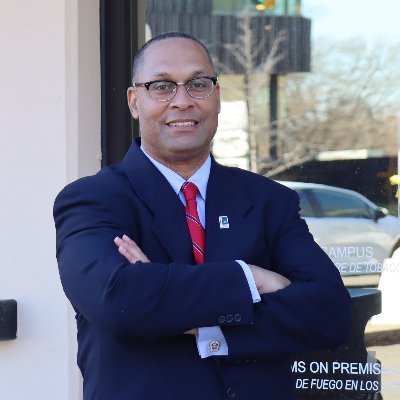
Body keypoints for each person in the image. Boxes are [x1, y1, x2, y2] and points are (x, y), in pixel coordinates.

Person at [54, 32, 351, 400]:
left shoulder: (269, 200)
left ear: (217, 96)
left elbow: (330, 314)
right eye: (162, 86)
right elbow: (119, 300)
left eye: (198, 84)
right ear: (134, 101)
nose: (182, 101)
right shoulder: (93, 199)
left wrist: (171, 302)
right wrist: (253, 278)